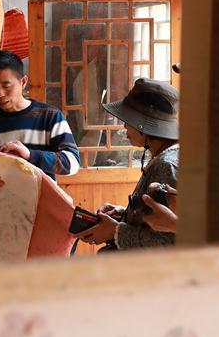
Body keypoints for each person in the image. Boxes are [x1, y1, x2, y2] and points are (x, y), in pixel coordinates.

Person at [73, 78, 179, 250]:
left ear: (142, 125)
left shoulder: (166, 165)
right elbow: (159, 221)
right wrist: (126, 213)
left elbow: (168, 243)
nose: (124, 126)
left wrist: (115, 231)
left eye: (128, 120)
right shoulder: (168, 157)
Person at [0, 50, 79, 193]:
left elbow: (73, 164)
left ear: (23, 82)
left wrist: (30, 155)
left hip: (41, 206)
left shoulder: (50, 116)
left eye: (6, 86)